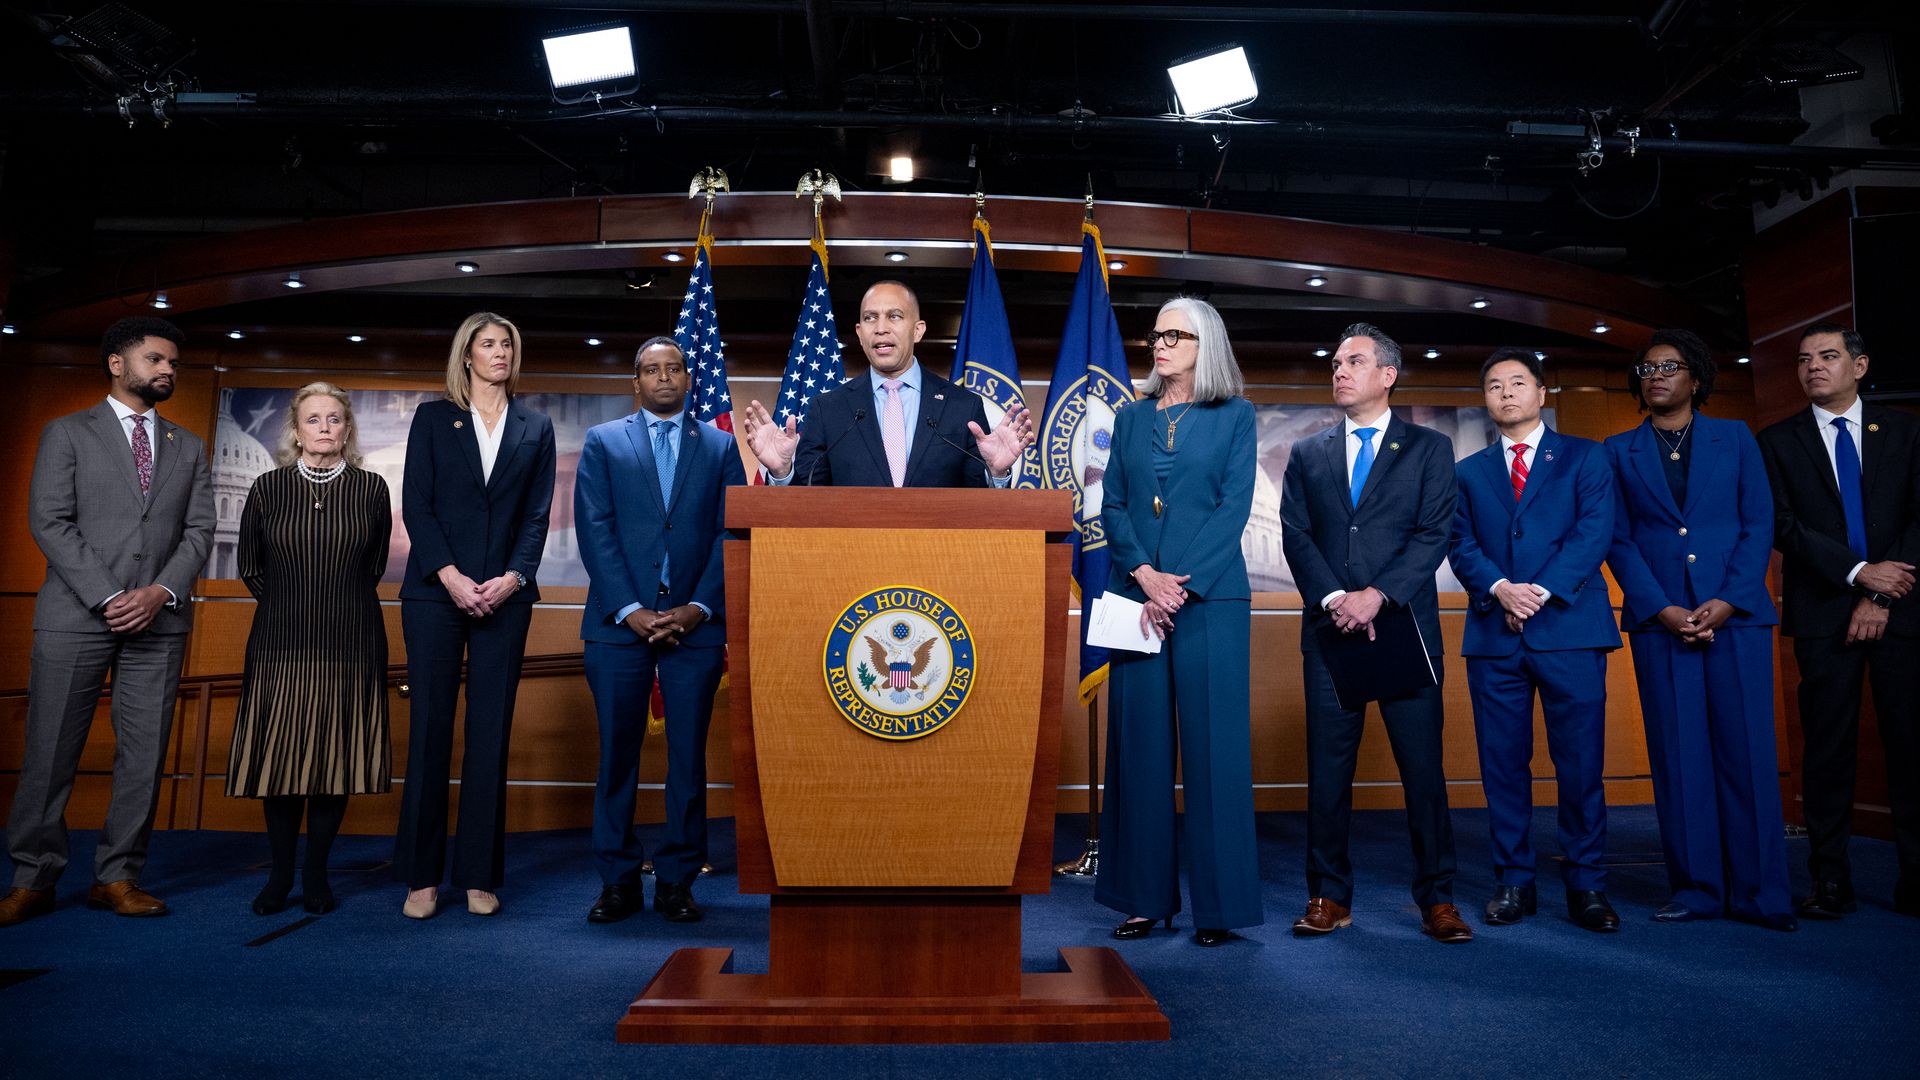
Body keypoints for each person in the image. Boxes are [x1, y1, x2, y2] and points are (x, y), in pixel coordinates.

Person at [1, 316, 213, 927]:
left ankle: (118, 877)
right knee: (50, 752)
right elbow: (50, 522)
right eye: (155, 359)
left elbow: (199, 531)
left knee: (143, 757)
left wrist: (161, 593)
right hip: (76, 616)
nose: (167, 369)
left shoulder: (189, 446)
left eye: (173, 361)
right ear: (117, 364)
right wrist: (109, 596)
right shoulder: (66, 433)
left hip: (160, 621)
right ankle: (34, 878)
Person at [1279, 321, 1470, 943]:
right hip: (1331, 628)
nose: (1339, 370)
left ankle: (1437, 899)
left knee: (1423, 773)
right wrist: (1338, 597)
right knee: (1328, 775)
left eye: (1353, 361)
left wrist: (1376, 596)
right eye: (1335, 361)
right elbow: (1297, 534)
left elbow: (1433, 534)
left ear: (1387, 375)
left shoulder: (1429, 449)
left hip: (1402, 627)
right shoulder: (1308, 452)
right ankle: (1328, 896)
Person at [1605, 329, 1795, 931]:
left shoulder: (1734, 437)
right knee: (1680, 756)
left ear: (1695, 377)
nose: (1656, 375)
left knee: (1748, 756)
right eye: (1648, 367)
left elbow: (1757, 521)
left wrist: (1730, 598)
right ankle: (1697, 889)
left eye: (1671, 366)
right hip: (1662, 624)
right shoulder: (1618, 450)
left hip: (1735, 619)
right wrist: (1660, 608)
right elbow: (1618, 538)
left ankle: (1763, 893)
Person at [1095, 298, 1261, 948]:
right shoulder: (1130, 417)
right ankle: (1144, 900)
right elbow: (1112, 505)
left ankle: (1219, 907)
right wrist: (1145, 577)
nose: (1160, 343)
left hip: (1210, 602)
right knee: (1139, 751)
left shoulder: (1236, 415)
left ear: (1205, 343)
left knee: (1215, 754)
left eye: (1175, 334)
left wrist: (1178, 584)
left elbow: (1233, 507)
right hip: (1136, 602)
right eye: (1156, 333)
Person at [1447, 347, 1621, 932]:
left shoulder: (1586, 458)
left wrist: (1538, 591)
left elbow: (1594, 534)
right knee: (1502, 766)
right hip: (1496, 636)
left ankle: (1588, 885)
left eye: (1517, 383)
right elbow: (1460, 543)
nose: (1506, 394)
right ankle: (1513, 882)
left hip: (1569, 631)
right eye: (1494, 386)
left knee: (1580, 765)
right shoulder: (1468, 471)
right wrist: (1501, 588)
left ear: (1541, 392)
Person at [575, 337, 745, 925]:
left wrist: (699, 606)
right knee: (617, 759)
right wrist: (630, 608)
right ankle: (617, 883)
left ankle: (677, 881)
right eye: (652, 369)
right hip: (618, 628)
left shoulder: (721, 445)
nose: (664, 378)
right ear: (636, 381)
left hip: (694, 630)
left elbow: (732, 533)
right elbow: (594, 528)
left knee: (687, 763)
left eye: (674, 368)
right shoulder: (604, 442)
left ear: (688, 378)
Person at [393, 312, 555, 920]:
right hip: (437, 594)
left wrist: (514, 578)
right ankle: (421, 877)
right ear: (466, 355)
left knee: (491, 733)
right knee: (431, 731)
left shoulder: (535, 426)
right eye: (487, 344)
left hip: (506, 596)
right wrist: (453, 577)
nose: (499, 354)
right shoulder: (434, 419)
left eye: (507, 345)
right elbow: (418, 505)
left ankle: (480, 876)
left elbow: (537, 515)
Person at [1757, 322, 1920, 920]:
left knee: (1912, 747)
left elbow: (1916, 518)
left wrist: (1881, 593)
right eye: (1804, 360)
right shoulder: (1777, 441)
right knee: (1827, 753)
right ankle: (1830, 882)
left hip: (1902, 613)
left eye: (1827, 356)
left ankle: (1915, 881)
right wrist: (1858, 575)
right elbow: (1783, 525)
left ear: (1861, 364)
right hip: (1825, 616)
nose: (1813, 368)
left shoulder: (1905, 431)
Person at [227, 383, 392, 916]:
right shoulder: (268, 487)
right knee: (280, 759)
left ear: (348, 430)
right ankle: (278, 877)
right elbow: (250, 565)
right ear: (295, 431)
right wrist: (292, 605)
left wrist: (329, 606)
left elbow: (372, 566)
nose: (325, 427)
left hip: (350, 639)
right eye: (314, 419)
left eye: (335, 419)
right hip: (280, 640)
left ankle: (316, 875)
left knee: (333, 759)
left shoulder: (371, 489)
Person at [739, 280, 1034, 486]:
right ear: (859, 331)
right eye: (870, 318)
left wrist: (996, 472)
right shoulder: (829, 409)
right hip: (852, 563)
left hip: (939, 565)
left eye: (894, 316)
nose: (881, 328)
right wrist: (782, 471)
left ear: (918, 330)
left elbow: (979, 506)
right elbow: (806, 499)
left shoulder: (962, 407)